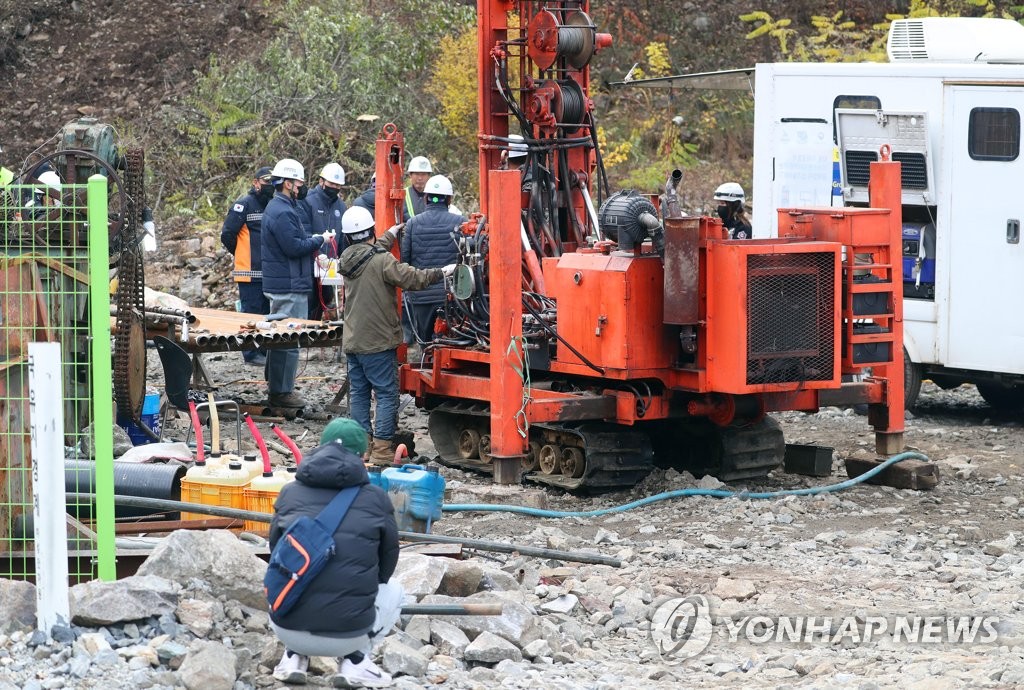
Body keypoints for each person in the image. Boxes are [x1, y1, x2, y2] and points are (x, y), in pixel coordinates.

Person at [270, 417, 401, 688]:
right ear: (362, 456)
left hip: (287, 628)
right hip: (349, 634)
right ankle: (356, 662)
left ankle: (293, 657)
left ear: (321, 447)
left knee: (288, 571)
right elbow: (387, 567)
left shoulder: (289, 493)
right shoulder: (376, 498)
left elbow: (275, 552)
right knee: (395, 589)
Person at [337, 205, 455, 464]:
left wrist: (390, 234)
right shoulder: (382, 261)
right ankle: (381, 451)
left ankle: (362, 448)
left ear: (347, 237)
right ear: (370, 231)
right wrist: (442, 272)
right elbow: (412, 278)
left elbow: (369, 251)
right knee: (386, 394)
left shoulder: (347, 259)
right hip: (378, 343)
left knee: (358, 393)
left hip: (354, 341)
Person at [261, 158, 336, 409]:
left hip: (286, 281)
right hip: (288, 285)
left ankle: (277, 386)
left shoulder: (282, 207)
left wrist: (314, 248)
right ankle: (282, 392)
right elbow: (293, 247)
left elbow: (295, 241)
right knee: (289, 341)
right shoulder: (282, 210)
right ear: (287, 183)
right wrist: (319, 240)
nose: (301, 187)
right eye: (298, 183)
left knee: (279, 339)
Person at [399, 174, 466, 345]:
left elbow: (405, 260)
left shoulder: (412, 224)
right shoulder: (460, 222)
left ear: (426, 198)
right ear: (449, 199)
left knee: (426, 343)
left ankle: (426, 367)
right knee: (452, 342)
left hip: (421, 296)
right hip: (451, 296)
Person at [221, 165, 274, 366]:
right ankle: (250, 354)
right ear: (255, 183)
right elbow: (227, 234)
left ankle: (264, 349)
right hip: (248, 272)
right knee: (250, 313)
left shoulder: (272, 204)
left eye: (271, 182)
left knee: (266, 314)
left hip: (268, 271)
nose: (269, 186)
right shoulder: (243, 205)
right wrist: (242, 253)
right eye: (265, 182)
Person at [302, 162, 347, 321]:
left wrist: (342, 259)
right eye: (331, 183)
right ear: (322, 182)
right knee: (310, 301)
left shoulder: (341, 206)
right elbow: (303, 232)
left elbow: (343, 237)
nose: (334, 187)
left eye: (338, 185)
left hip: (331, 266)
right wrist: (317, 254)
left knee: (326, 299)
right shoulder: (308, 201)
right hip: (309, 264)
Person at [402, 156, 432, 221]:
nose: (420, 178)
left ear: (429, 176)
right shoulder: (402, 195)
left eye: (423, 174)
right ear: (410, 175)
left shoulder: (435, 196)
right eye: (417, 174)